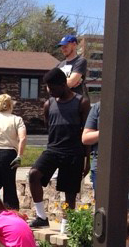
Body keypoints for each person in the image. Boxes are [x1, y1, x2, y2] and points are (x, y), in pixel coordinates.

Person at [28, 67, 90, 227]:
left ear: (63, 84)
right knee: (34, 174)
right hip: (53, 150)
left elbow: (87, 132)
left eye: (52, 87)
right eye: (47, 87)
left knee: (69, 192)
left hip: (74, 153)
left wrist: (87, 159)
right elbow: (50, 128)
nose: (49, 91)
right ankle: (41, 217)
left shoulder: (81, 102)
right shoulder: (48, 104)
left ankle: (66, 224)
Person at [82, 75, 129, 188]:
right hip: (103, 164)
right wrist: (109, 131)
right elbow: (85, 138)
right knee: (102, 203)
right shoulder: (100, 106)